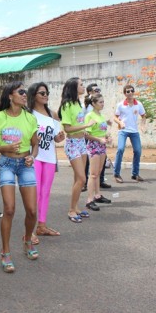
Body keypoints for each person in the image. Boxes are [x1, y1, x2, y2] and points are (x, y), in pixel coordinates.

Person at [0, 81, 39, 273]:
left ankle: (27, 240)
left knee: (32, 211)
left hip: (25, 165)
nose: (25, 95)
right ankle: (5, 252)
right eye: (21, 92)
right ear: (10, 96)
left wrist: (32, 157)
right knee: (9, 209)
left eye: (25, 93)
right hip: (7, 164)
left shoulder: (30, 118)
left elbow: (36, 144)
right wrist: (5, 148)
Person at [27, 82, 65, 237]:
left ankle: (41, 226)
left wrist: (60, 137)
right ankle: (31, 229)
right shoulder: (28, 114)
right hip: (34, 157)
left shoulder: (52, 114)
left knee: (45, 192)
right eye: (42, 93)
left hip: (49, 158)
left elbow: (55, 138)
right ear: (34, 95)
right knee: (34, 193)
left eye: (46, 93)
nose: (45, 95)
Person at [58, 77, 96, 223]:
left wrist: (83, 131)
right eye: (81, 84)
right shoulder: (67, 105)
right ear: (74, 87)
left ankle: (76, 207)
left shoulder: (77, 103)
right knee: (82, 178)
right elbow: (67, 128)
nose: (83, 86)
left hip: (81, 142)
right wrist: (85, 126)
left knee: (77, 178)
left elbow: (77, 123)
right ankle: (71, 210)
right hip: (73, 143)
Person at [84, 94, 112, 211]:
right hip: (94, 146)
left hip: (102, 145)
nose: (102, 104)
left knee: (99, 172)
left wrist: (107, 137)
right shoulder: (90, 115)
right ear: (93, 104)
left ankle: (97, 195)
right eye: (100, 102)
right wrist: (99, 139)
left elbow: (101, 131)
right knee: (93, 174)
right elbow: (86, 134)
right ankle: (89, 200)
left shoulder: (100, 115)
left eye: (103, 101)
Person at [113, 84, 146, 183]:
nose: (130, 93)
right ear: (125, 93)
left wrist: (143, 125)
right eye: (128, 91)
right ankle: (116, 174)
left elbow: (144, 116)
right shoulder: (120, 105)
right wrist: (120, 122)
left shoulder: (138, 104)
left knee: (138, 151)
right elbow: (115, 117)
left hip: (134, 131)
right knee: (120, 149)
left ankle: (135, 174)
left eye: (132, 90)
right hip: (123, 131)